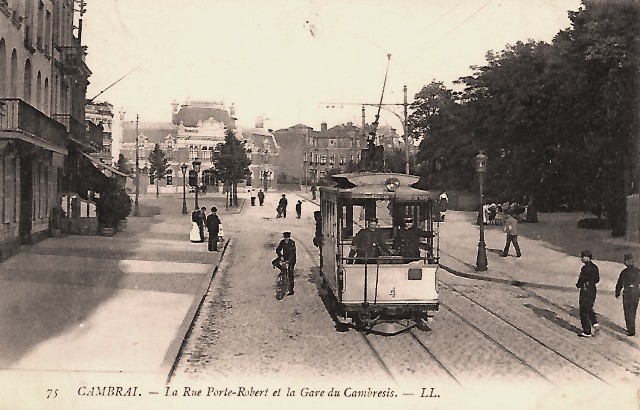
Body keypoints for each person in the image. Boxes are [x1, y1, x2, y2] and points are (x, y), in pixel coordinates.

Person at [576, 250, 600, 337]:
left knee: (583, 310)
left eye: (582, 256)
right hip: (593, 289)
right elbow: (597, 279)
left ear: (587, 257)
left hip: (585, 290)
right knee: (589, 307)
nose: (581, 258)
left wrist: (579, 285)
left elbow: (581, 279)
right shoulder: (595, 267)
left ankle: (587, 331)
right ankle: (595, 323)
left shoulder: (585, 268)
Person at [615, 253, 640, 336]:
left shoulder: (624, 272)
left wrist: (617, 292)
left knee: (628, 311)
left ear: (626, 262)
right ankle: (631, 328)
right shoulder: (638, 271)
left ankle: (630, 329)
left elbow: (620, 283)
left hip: (628, 293)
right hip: (636, 293)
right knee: (633, 311)